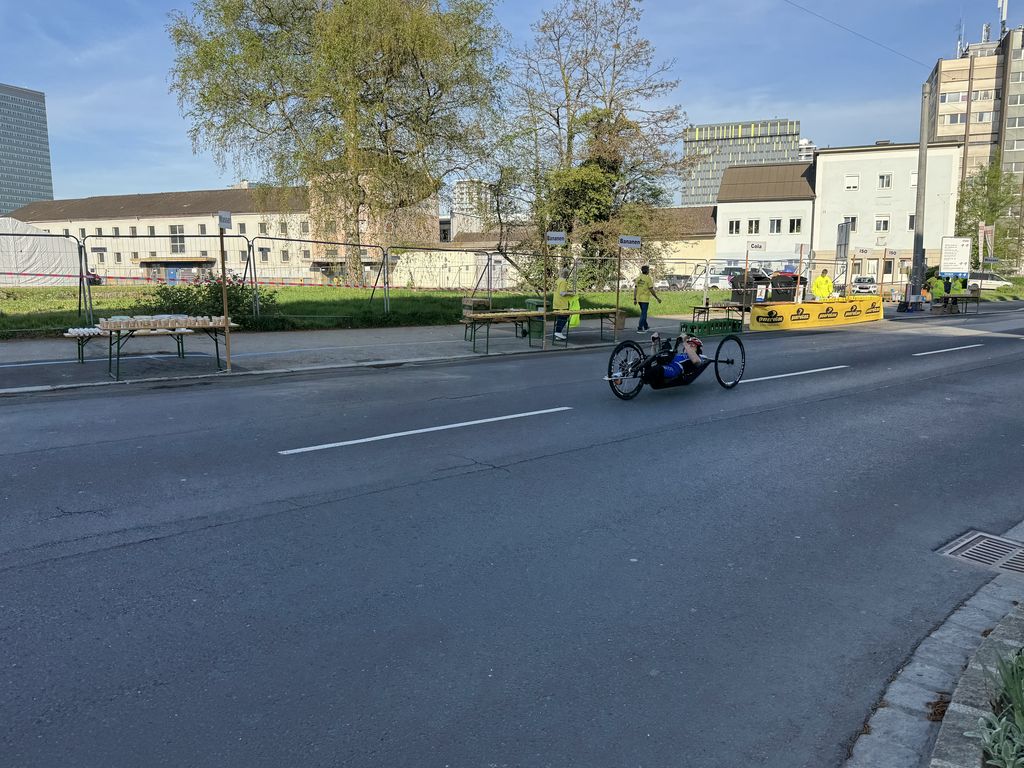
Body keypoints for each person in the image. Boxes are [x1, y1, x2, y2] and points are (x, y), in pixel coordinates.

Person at [633, 264, 661, 333]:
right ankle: (640, 328)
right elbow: (651, 289)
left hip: (639, 298)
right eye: (648, 270)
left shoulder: (638, 278)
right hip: (645, 299)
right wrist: (657, 298)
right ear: (647, 271)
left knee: (643, 313)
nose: (649, 271)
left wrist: (635, 298)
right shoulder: (648, 279)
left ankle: (646, 326)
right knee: (644, 314)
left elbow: (635, 289)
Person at [553, 267, 574, 340]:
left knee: (560, 318)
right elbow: (562, 293)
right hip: (562, 303)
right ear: (566, 274)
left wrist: (568, 290)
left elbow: (559, 290)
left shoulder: (557, 281)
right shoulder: (564, 282)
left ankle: (558, 334)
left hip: (556, 302)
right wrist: (570, 294)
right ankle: (558, 332)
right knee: (564, 317)